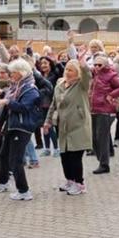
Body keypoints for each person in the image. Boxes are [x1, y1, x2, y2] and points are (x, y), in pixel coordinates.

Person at [0, 59, 42, 201]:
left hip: (22, 127)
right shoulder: (16, 86)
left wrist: (7, 102)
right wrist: (3, 93)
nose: (10, 75)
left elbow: (25, 107)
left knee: (16, 159)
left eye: (13, 73)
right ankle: (3, 182)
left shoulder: (30, 88)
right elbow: (12, 94)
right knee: (3, 155)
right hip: (12, 125)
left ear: (21, 73)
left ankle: (24, 190)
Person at [44, 50, 92, 195]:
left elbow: (87, 75)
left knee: (75, 156)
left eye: (71, 70)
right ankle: (70, 180)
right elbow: (53, 104)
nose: (68, 72)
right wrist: (47, 122)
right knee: (64, 155)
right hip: (63, 126)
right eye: (67, 69)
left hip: (78, 125)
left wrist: (83, 64)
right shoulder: (60, 84)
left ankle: (80, 184)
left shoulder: (82, 85)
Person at [84, 52, 119, 175]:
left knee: (101, 137)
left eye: (100, 65)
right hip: (93, 109)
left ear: (105, 65)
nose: (97, 67)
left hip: (105, 110)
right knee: (93, 137)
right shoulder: (94, 74)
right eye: (95, 64)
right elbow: (82, 67)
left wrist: (111, 95)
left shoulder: (111, 75)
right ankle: (102, 160)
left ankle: (104, 164)